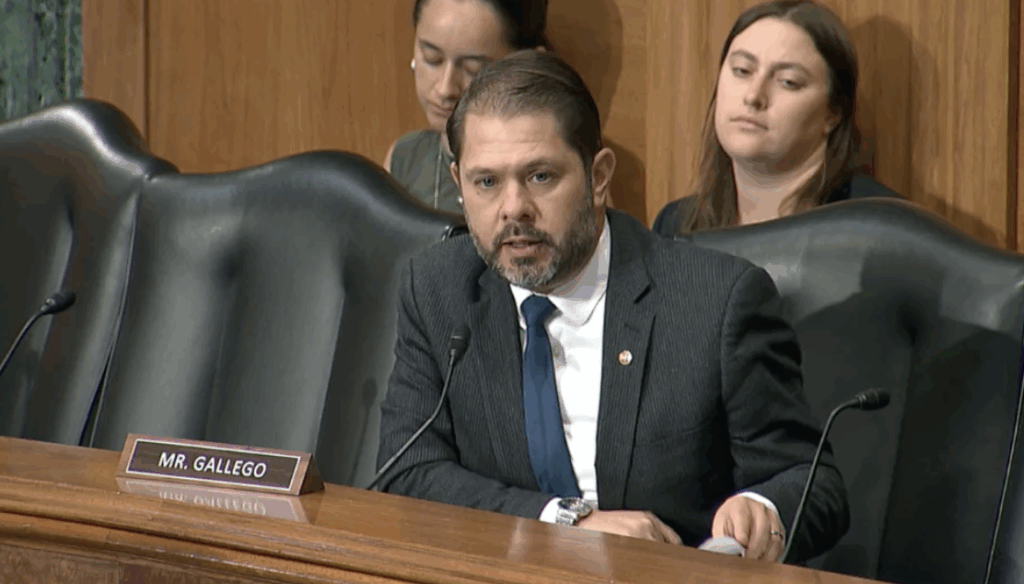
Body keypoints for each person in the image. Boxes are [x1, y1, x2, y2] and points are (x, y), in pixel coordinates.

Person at [375, 50, 849, 563]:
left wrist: (763, 509)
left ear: (598, 177)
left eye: (540, 177)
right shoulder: (439, 288)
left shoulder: (714, 303)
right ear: (458, 183)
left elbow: (811, 482)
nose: (513, 208)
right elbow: (407, 472)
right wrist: (565, 522)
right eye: (486, 182)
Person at [652, 0, 898, 238]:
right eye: (742, 70)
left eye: (788, 82)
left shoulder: (879, 227)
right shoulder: (675, 225)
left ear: (833, 112)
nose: (753, 96)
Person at [384, 0, 549, 213]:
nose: (445, 89)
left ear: (530, 63)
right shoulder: (405, 159)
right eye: (432, 59)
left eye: (474, 69)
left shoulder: (554, 171)